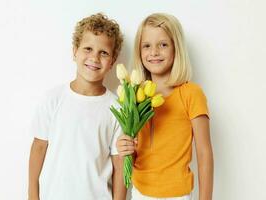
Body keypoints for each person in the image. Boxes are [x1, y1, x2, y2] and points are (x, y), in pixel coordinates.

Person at [28, 13, 126, 200]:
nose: (94, 58)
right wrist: (33, 195)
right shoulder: (53, 99)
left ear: (112, 61)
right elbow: (39, 148)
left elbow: (119, 163)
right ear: (75, 51)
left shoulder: (116, 109)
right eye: (88, 49)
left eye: (103, 52)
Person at [116, 13, 214, 200]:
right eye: (147, 46)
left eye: (163, 45)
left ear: (176, 48)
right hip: (140, 192)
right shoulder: (134, 97)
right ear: (139, 51)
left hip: (177, 195)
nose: (154, 52)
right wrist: (125, 148)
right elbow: (136, 152)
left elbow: (204, 153)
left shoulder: (191, 93)